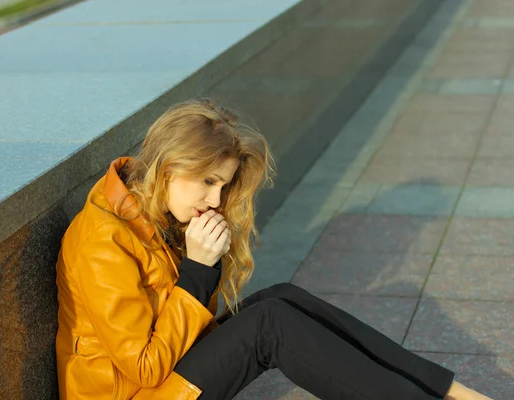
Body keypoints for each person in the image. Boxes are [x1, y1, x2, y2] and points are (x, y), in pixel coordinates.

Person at [55, 99, 492, 400]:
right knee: (269, 324)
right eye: (208, 181)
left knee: (280, 297)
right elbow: (146, 367)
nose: (215, 199)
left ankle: (449, 391)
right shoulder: (103, 239)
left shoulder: (151, 212)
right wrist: (197, 271)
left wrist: (199, 269)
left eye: (222, 186)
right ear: (169, 167)